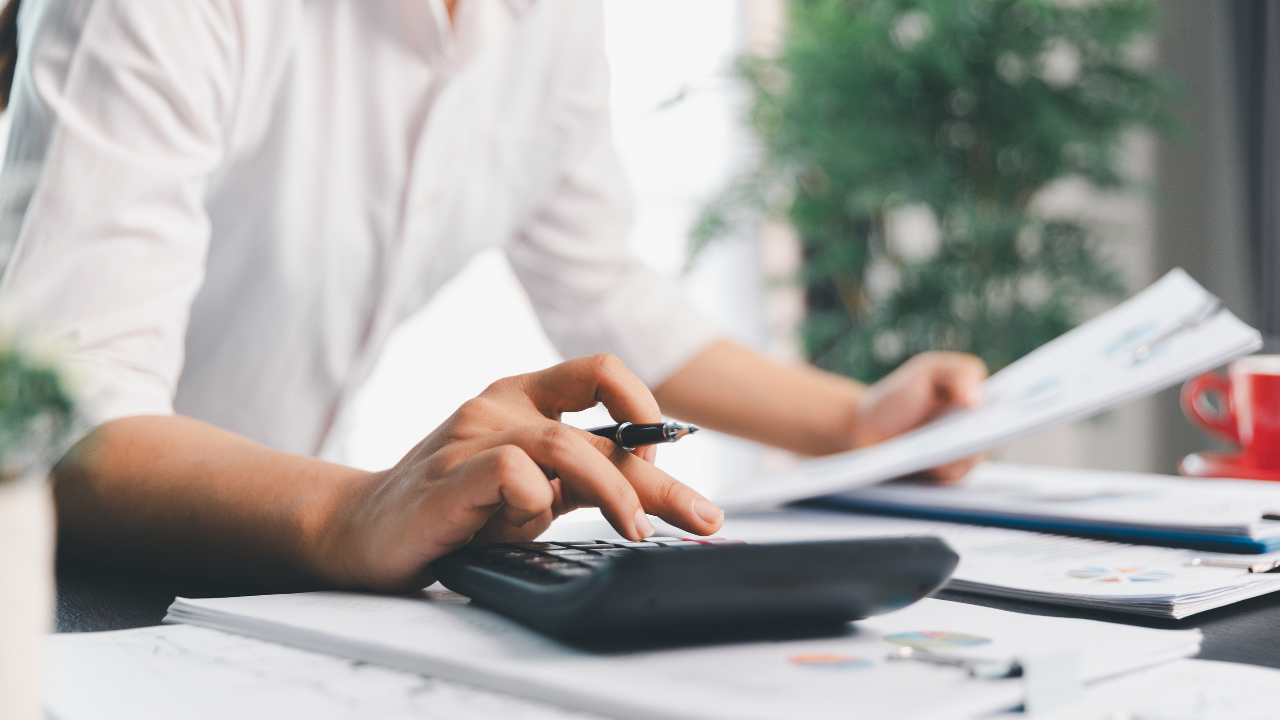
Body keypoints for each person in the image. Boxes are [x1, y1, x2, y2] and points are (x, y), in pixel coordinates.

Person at [0, 0, 986, 592]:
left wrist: (855, 422)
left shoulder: (543, 20)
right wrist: (356, 511)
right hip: (54, 590)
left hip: (260, 583)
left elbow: (601, 289)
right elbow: (59, 414)